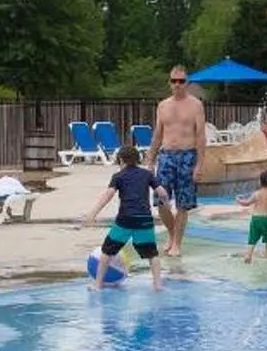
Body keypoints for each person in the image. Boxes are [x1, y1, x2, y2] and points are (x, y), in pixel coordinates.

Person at [84, 144, 165, 291]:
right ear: (137, 159)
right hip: (144, 219)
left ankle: (98, 284)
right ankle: (158, 285)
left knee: (107, 251)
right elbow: (162, 192)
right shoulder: (147, 174)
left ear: (121, 160)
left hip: (125, 220)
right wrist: (165, 203)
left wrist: (93, 213)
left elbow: (108, 196)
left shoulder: (118, 176)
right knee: (152, 254)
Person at [151, 66, 207, 257]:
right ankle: (172, 234)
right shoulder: (163, 105)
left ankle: (177, 244)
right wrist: (150, 159)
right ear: (169, 82)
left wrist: (199, 164)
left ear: (187, 83)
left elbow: (201, 136)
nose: (177, 84)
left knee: (183, 204)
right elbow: (157, 135)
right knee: (161, 201)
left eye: (181, 81)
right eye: (173, 81)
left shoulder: (195, 105)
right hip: (166, 156)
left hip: (187, 156)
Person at [241, 170, 267, 262]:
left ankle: (248, 255)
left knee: (252, 240)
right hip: (266, 220)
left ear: (260, 182)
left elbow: (247, 203)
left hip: (255, 219)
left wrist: (239, 201)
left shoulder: (256, 193)